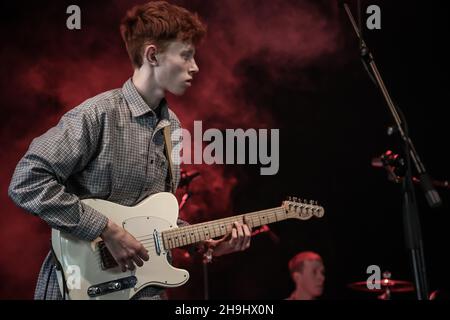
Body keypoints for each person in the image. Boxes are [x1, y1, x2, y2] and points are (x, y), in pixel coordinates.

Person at [8, 0, 251, 300]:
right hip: (79, 286)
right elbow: (26, 181)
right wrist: (107, 230)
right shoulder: (97, 114)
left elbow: (152, 218)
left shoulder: (171, 128)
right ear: (152, 55)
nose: (195, 67)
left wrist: (204, 243)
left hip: (143, 291)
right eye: (186, 55)